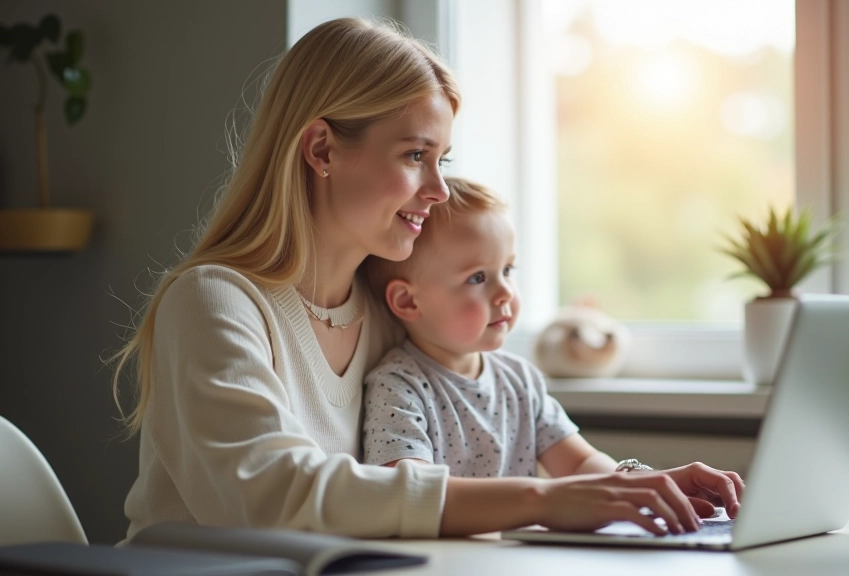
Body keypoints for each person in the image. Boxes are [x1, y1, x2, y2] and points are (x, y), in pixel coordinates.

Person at [110, 17, 743, 541]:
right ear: (322, 150)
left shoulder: (389, 316)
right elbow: (271, 495)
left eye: (442, 160)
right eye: (415, 156)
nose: (438, 191)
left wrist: (633, 483)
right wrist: (544, 500)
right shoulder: (216, 302)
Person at [361, 177, 625, 483]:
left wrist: (645, 482)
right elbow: (411, 487)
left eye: (508, 270)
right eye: (477, 278)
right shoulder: (399, 387)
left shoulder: (520, 380)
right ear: (408, 301)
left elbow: (580, 463)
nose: (505, 293)